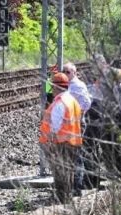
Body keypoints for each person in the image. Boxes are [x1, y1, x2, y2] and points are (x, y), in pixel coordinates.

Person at [39, 73, 83, 203]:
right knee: (68, 171)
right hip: (73, 140)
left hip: (61, 142)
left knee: (60, 171)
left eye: (52, 86)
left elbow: (55, 126)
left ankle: (61, 197)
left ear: (56, 87)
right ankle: (67, 197)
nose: (51, 89)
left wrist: (50, 141)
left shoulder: (60, 102)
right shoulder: (72, 100)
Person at [62, 62, 92, 195]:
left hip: (77, 123)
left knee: (77, 155)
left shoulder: (78, 85)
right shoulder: (63, 85)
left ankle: (78, 186)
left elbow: (87, 103)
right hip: (66, 125)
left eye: (67, 72)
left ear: (74, 72)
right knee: (68, 155)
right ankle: (71, 185)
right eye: (64, 71)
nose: (65, 74)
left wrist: (77, 114)